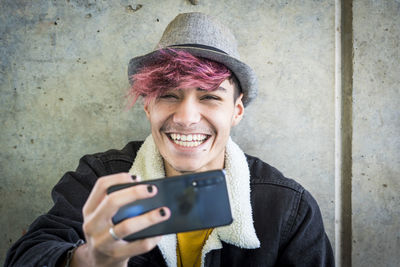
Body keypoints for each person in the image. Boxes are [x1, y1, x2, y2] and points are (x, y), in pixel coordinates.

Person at [5, 12, 334, 267]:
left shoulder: (289, 209)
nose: (187, 117)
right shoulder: (99, 178)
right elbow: (27, 255)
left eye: (209, 97)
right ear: (148, 106)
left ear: (236, 111)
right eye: (167, 95)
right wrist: (90, 260)